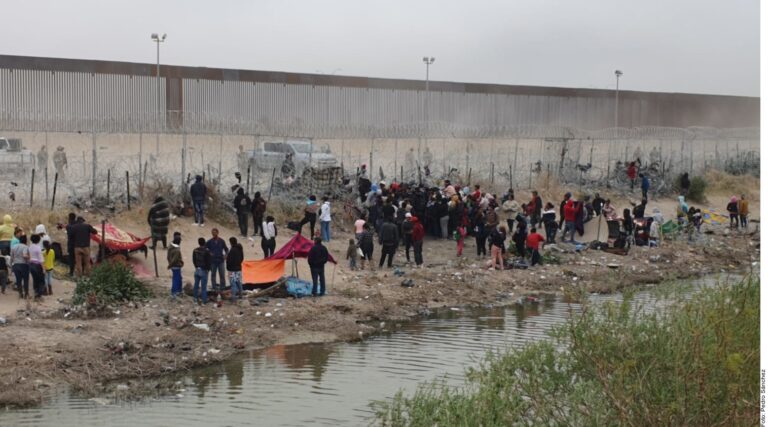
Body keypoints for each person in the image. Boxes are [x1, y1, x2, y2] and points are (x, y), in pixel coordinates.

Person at [206, 228, 229, 299]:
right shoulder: (209, 241)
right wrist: (209, 253)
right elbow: (205, 248)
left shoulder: (222, 241)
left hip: (220, 260)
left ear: (217, 233)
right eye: (212, 233)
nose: (213, 234)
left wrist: (225, 256)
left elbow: (226, 249)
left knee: (222, 274)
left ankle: (223, 287)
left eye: (214, 232)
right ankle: (214, 287)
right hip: (213, 261)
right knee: (213, 275)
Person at [192, 237, 211, 305]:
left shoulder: (195, 250)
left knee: (196, 285)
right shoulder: (207, 251)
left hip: (197, 270)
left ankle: (195, 299)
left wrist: (196, 267)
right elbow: (208, 262)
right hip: (204, 270)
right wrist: (208, 269)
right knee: (203, 287)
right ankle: (204, 300)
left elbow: (194, 260)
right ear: (204, 242)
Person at [11, 234, 30, 299]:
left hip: (16, 265)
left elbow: (11, 257)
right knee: (25, 280)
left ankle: (20, 293)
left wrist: (11, 266)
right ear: (25, 240)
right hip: (24, 265)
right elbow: (25, 255)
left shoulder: (14, 247)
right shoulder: (25, 247)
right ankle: (26, 294)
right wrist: (30, 257)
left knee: (18, 280)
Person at [28, 234, 45, 300]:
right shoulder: (38, 248)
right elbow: (41, 259)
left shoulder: (30, 247)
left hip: (31, 265)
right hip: (37, 266)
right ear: (38, 240)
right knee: (41, 281)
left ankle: (36, 293)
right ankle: (39, 295)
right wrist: (43, 269)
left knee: (35, 280)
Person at [227, 237, 244, 304]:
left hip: (232, 270)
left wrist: (228, 267)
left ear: (231, 242)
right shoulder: (240, 249)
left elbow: (229, 260)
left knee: (233, 284)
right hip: (238, 268)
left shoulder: (232, 250)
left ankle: (233, 299)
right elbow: (242, 258)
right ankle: (241, 295)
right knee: (239, 282)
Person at [167, 232, 183, 298]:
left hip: (173, 265)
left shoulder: (170, 247)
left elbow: (168, 256)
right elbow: (175, 259)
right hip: (176, 265)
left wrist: (170, 263)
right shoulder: (177, 250)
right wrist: (170, 264)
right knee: (176, 279)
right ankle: (174, 292)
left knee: (178, 278)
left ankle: (179, 290)